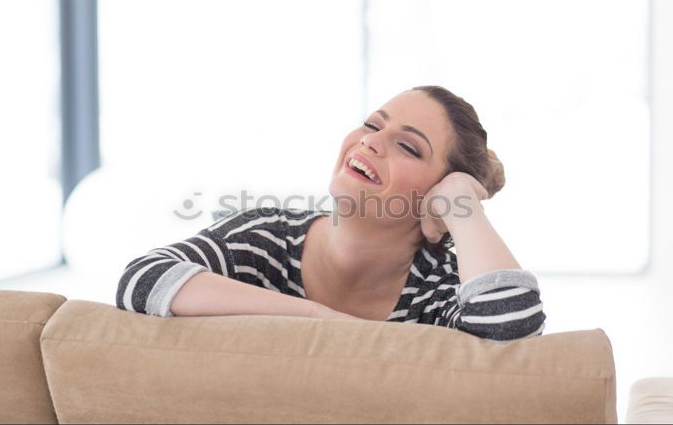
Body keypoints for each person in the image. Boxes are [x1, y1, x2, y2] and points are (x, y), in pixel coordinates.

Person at [116, 85, 546, 342]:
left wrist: (461, 206)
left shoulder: (439, 289)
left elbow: (511, 326)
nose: (371, 142)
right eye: (373, 124)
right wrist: (327, 322)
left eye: (409, 147)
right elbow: (142, 280)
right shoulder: (264, 237)